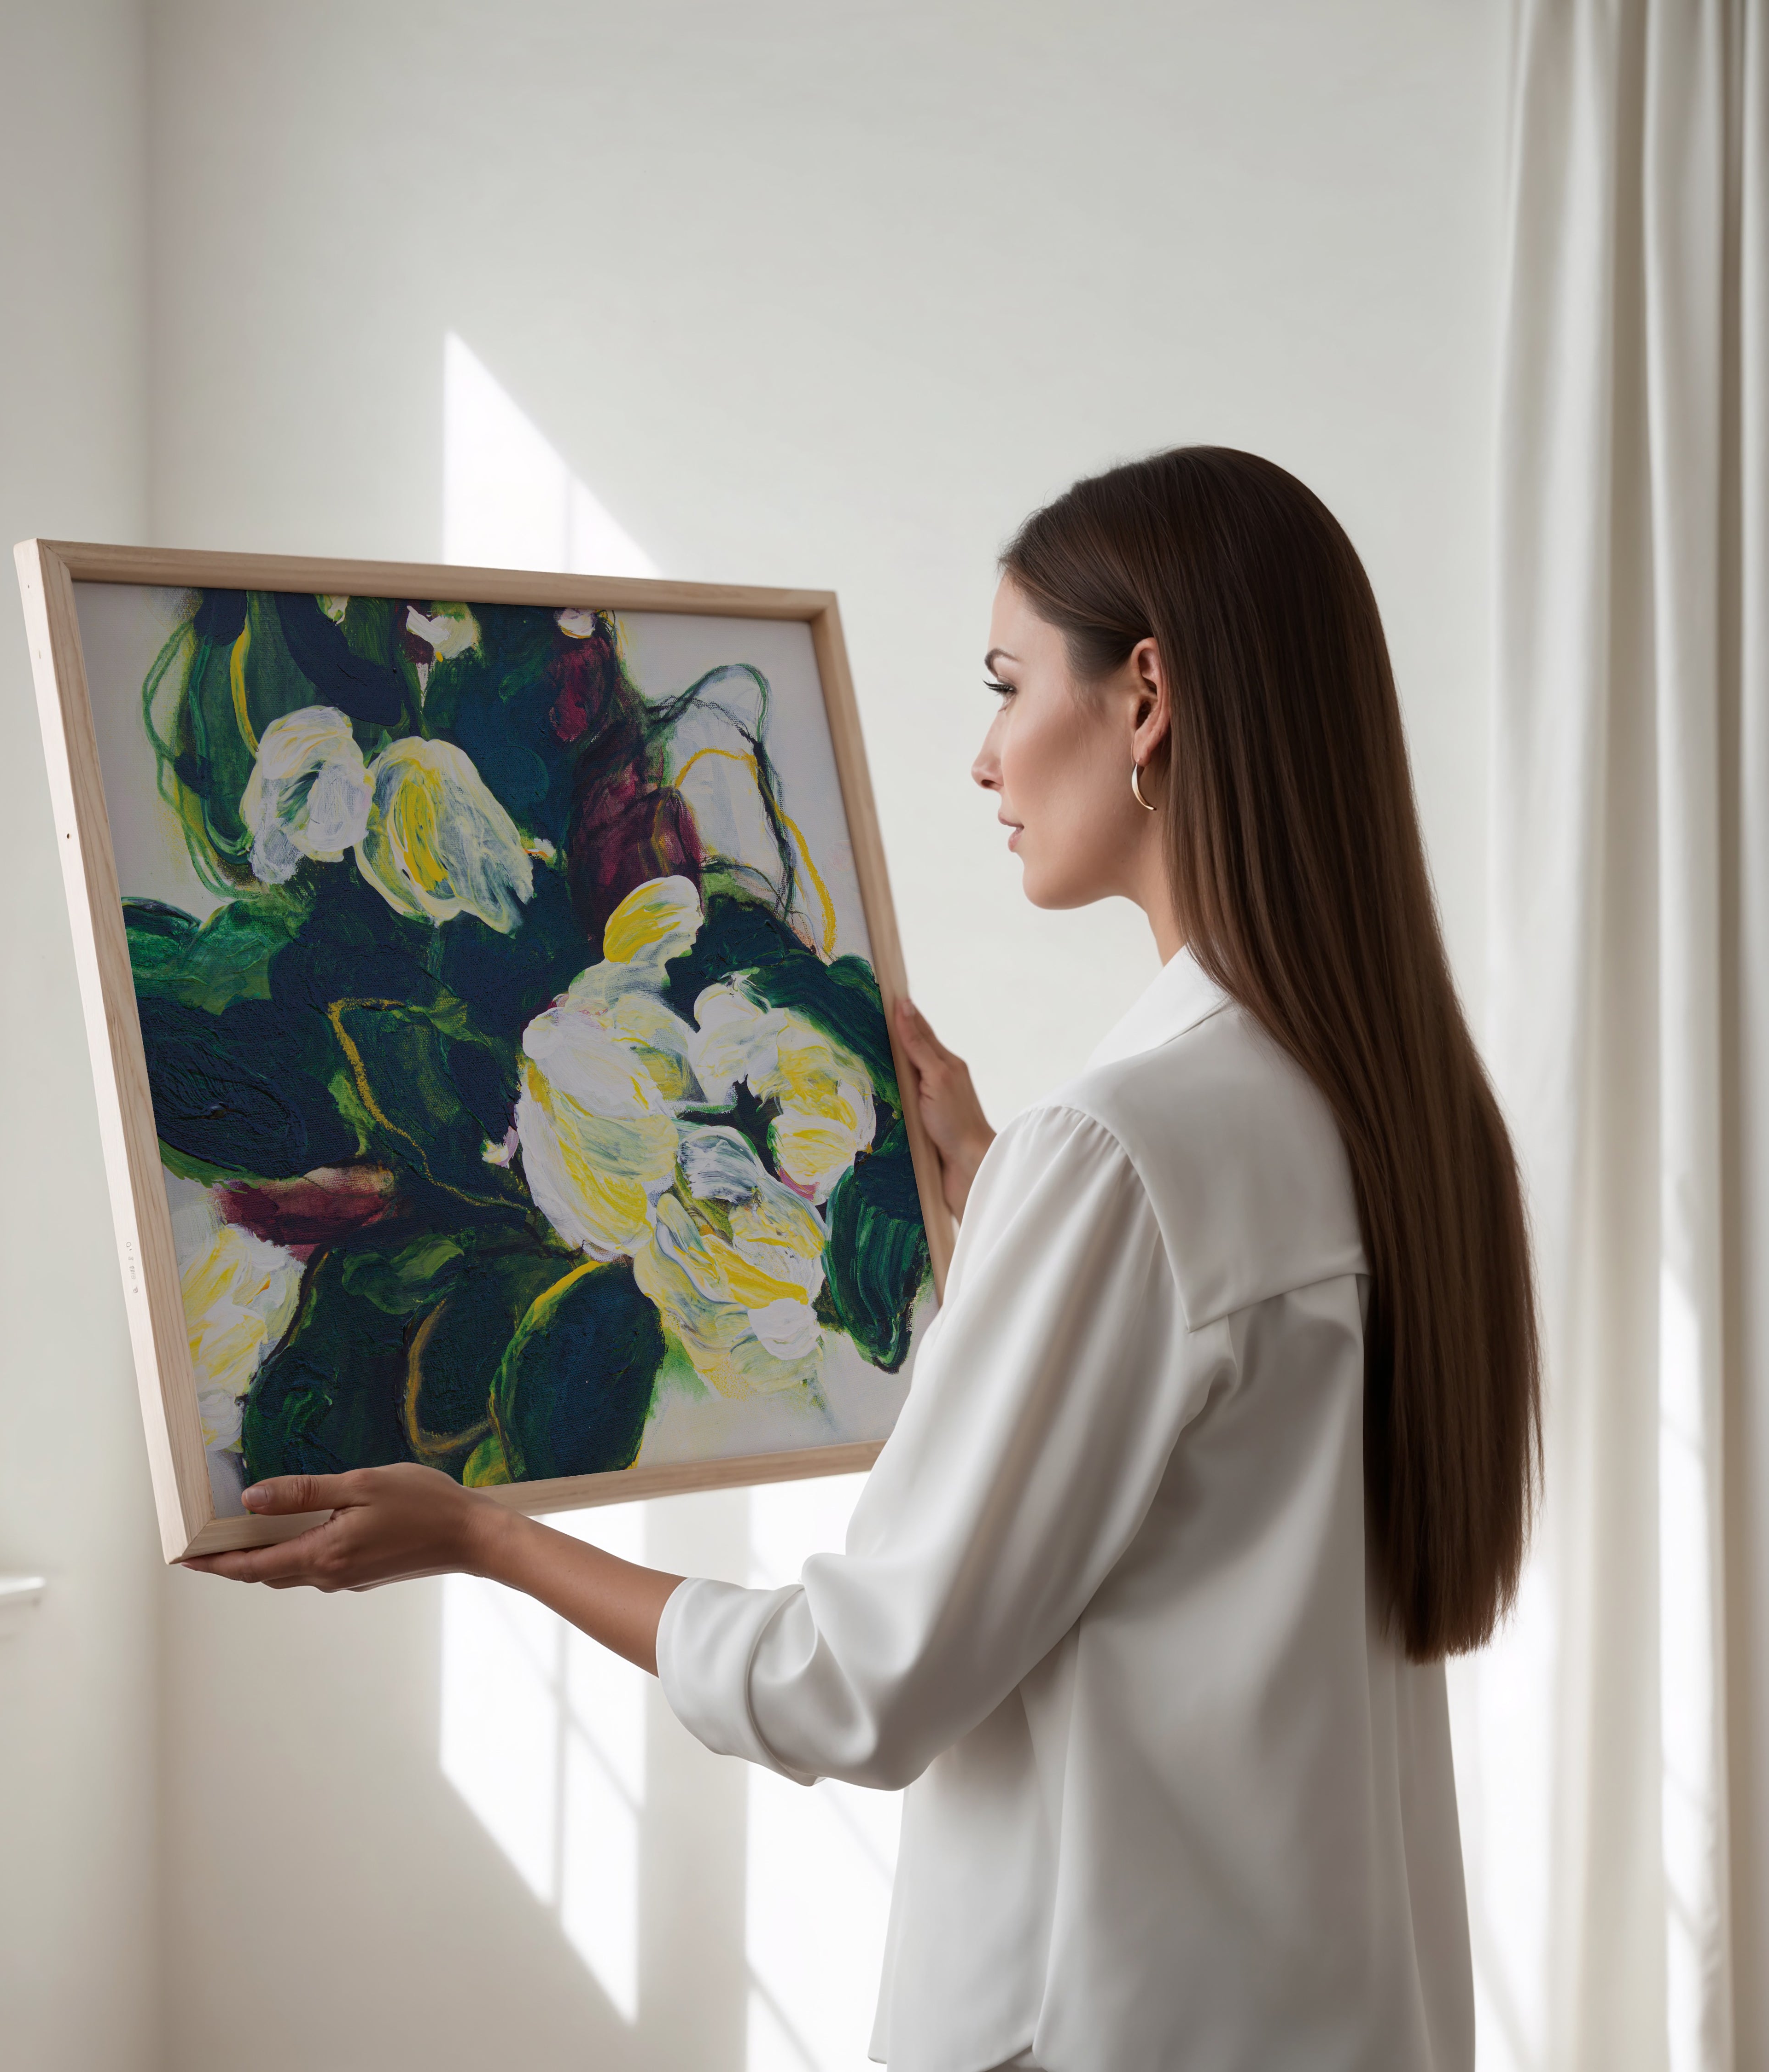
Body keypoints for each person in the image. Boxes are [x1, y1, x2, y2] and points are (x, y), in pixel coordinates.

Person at [184, 447, 1539, 2072]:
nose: (981, 757)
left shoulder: (1122, 1151)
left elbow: (855, 1683)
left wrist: (482, 1533)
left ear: (1147, 695)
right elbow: (1199, 1532)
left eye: (1008, 681)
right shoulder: (1390, 1117)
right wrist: (987, 1224)